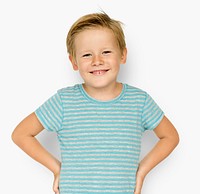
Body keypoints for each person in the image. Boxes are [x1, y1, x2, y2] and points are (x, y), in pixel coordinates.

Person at [12, 12, 179, 194]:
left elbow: (170, 137)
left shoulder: (140, 101)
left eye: (106, 52)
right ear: (73, 62)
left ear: (123, 55)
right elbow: (21, 134)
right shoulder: (63, 102)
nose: (97, 61)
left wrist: (142, 172)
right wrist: (57, 169)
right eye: (86, 55)